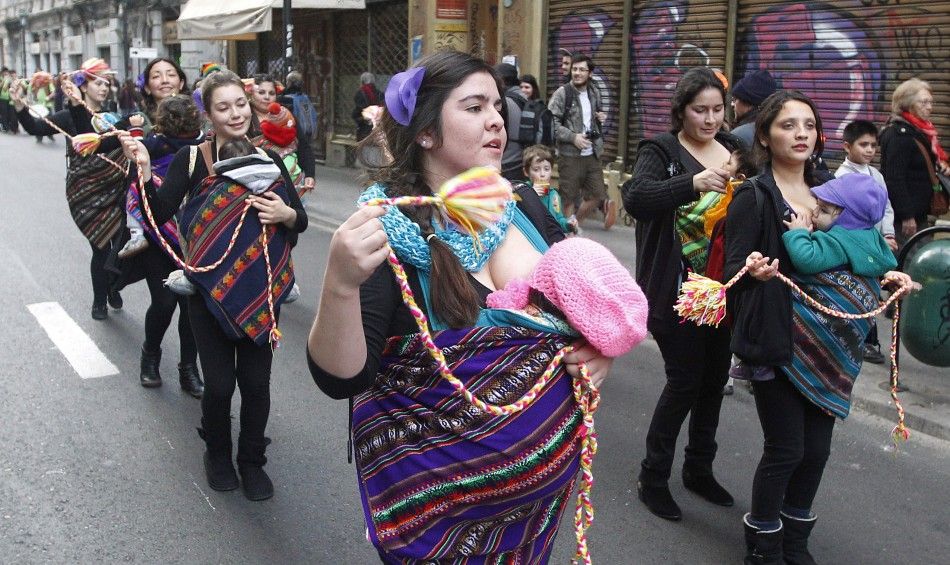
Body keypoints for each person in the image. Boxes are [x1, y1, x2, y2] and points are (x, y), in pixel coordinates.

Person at [307, 50, 615, 562]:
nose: (497, 119)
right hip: (438, 530)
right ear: (427, 132)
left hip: (534, 527)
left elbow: (588, 292)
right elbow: (341, 379)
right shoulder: (389, 232)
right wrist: (339, 284)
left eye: (497, 105)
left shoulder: (525, 204)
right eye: (474, 107)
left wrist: (597, 345)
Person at [723, 90, 914, 564]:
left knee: (817, 452)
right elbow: (730, 273)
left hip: (835, 348)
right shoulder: (754, 195)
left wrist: (888, 275)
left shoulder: (833, 189)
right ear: (765, 135)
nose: (801, 133)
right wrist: (752, 269)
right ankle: (763, 543)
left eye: (807, 124)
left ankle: (795, 541)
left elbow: (861, 251)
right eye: (787, 125)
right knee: (786, 449)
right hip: (779, 340)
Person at [119, 69, 308, 502]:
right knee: (220, 385)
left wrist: (286, 214)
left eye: (240, 104)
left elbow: (299, 221)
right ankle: (218, 455)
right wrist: (145, 172)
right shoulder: (193, 159)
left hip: (261, 291)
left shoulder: (270, 160)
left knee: (257, 385)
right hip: (209, 291)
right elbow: (161, 212)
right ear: (209, 112)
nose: (235, 113)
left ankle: (252, 461)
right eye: (223, 107)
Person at [622, 67, 742, 522]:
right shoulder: (662, 150)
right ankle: (653, 477)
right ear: (681, 110)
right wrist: (691, 183)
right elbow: (636, 198)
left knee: (713, 381)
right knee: (685, 380)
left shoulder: (733, 150)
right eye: (700, 110)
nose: (710, 119)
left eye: (717, 110)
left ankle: (699, 469)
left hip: (718, 287)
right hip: (674, 287)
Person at [12, 58, 127, 320]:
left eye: (106, 83)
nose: (103, 88)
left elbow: (115, 145)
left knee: (118, 246)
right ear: (82, 86)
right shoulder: (67, 116)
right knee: (100, 247)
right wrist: (19, 104)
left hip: (115, 188)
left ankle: (112, 287)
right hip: (85, 191)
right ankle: (100, 300)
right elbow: (35, 127)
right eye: (97, 83)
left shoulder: (112, 117)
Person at [835, 119, 898, 364]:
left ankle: (870, 341)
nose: (870, 150)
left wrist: (888, 234)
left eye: (873, 145)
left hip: (877, 244)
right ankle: (860, 339)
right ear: (847, 147)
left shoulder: (876, 176)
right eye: (864, 145)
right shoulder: (841, 177)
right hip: (857, 246)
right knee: (860, 292)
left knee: (872, 292)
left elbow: (887, 208)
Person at [548, 53, 617, 229]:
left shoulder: (594, 91)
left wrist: (599, 117)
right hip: (569, 155)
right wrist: (573, 137)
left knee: (598, 195)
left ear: (590, 73)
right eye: (574, 69)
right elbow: (551, 122)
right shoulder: (563, 93)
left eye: (581, 69)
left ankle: (572, 225)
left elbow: (594, 115)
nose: (577, 73)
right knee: (568, 199)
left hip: (592, 153)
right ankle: (568, 234)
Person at [880, 78, 949, 247]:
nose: (930, 107)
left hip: (919, 213)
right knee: (910, 261)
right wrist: (906, 216)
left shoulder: (919, 131)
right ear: (907, 104)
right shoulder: (899, 135)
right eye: (924, 102)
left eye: (931, 102)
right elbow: (894, 179)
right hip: (906, 218)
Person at [248, 74, 315, 193]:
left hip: (292, 182)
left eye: (271, 93)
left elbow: (303, 146)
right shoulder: (244, 118)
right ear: (251, 93)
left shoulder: (285, 116)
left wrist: (310, 174)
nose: (267, 97)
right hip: (258, 186)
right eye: (261, 92)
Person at [523, 144, 577, 234]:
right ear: (526, 172)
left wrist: (568, 224)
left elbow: (558, 219)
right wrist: (531, 195)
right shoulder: (522, 190)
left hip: (548, 238)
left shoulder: (554, 195)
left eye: (546, 169)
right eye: (536, 169)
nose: (542, 174)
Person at [497, 62, 528, 182]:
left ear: (502, 80)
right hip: (524, 161)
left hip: (508, 163)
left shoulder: (506, 102)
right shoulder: (525, 98)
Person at [730, 70, 778, 148]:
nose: (732, 104)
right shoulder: (774, 129)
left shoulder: (740, 135)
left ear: (749, 102)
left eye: (735, 99)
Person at [352, 71, 382, 141]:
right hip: (377, 129)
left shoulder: (360, 94)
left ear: (362, 82)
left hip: (364, 129)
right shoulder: (379, 93)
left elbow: (358, 112)